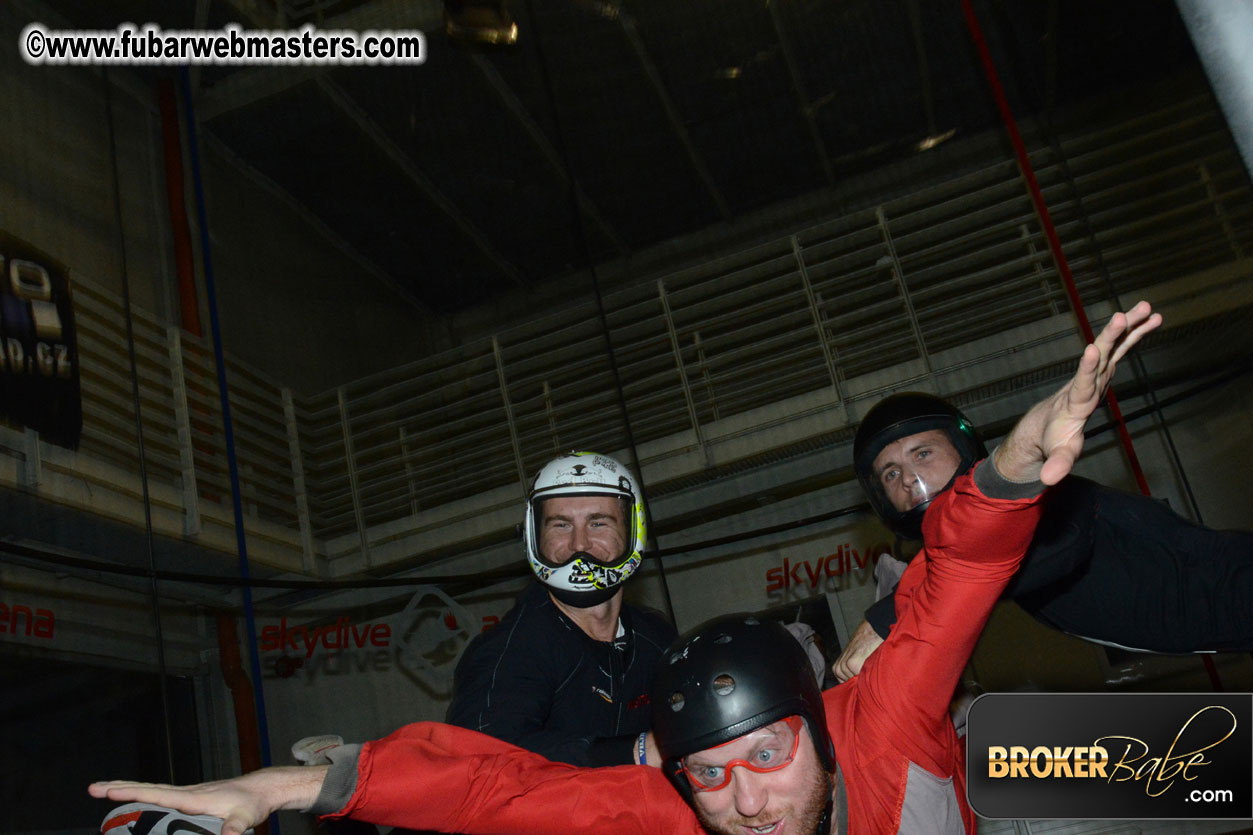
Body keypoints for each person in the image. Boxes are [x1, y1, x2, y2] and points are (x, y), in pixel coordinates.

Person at [88, 302, 1159, 835]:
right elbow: (500, 787)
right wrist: (284, 784)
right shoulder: (664, 791)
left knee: (1060, 745)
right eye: (708, 774)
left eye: (766, 755)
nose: (744, 802)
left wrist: (1015, 464)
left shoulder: (869, 722)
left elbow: (951, 586)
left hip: (996, 786)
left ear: (818, 722)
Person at [832, 378, 1253, 681]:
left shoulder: (1034, 506)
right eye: (890, 473)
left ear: (961, 450)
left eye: (922, 454)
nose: (908, 479)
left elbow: (1000, 552)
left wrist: (892, 614)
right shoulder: (980, 551)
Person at [446, 451, 675, 766]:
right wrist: (633, 753)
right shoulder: (508, 653)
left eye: (598, 522)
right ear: (534, 536)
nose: (579, 543)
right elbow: (480, 760)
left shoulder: (656, 639)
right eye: (561, 525)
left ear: (633, 530)